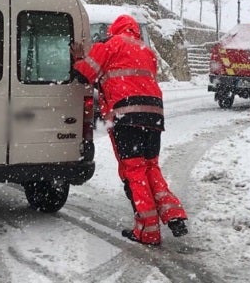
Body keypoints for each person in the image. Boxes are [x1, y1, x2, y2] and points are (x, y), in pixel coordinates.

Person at [71, 14, 188, 246]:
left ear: (115, 29)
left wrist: (76, 59)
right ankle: (174, 215)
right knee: (150, 166)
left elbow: (84, 73)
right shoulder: (147, 50)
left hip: (127, 113)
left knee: (134, 170)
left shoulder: (111, 45)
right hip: (154, 115)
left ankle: (148, 231)